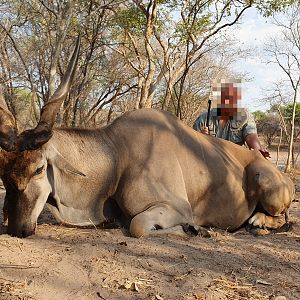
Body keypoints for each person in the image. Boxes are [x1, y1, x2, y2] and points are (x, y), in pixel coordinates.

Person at [193, 80, 270, 158]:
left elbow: (251, 136)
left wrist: (257, 149)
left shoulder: (245, 116)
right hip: (207, 157)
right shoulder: (203, 118)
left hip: (233, 160)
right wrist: (201, 137)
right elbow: (192, 143)